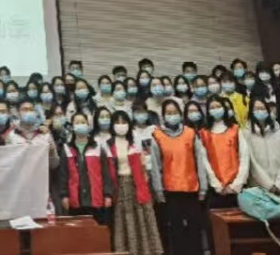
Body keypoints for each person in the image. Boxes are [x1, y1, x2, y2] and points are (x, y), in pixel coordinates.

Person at [150, 100, 208, 256]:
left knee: (195, 229)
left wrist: (203, 187)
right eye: (168, 113)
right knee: (176, 231)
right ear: (163, 116)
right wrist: (158, 191)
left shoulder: (190, 133)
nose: (172, 115)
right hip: (170, 191)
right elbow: (155, 166)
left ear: (181, 114)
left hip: (192, 189)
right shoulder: (157, 136)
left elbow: (200, 160)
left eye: (175, 112)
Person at [107, 111, 164, 256]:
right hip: (120, 187)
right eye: (117, 122)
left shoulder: (135, 141)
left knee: (142, 222)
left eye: (124, 122)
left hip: (137, 185)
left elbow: (144, 164)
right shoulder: (108, 144)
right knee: (124, 222)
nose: (121, 125)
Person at [59, 113, 113, 225]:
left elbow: (105, 174)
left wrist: (107, 194)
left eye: (83, 122)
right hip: (75, 200)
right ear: (72, 127)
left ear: (88, 125)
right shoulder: (66, 149)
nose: (80, 125)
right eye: (77, 122)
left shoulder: (98, 147)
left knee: (97, 230)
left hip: (96, 198)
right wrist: (64, 195)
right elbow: (63, 175)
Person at [201, 96, 250, 209]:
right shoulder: (204, 133)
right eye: (212, 107)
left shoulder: (235, 129)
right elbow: (205, 161)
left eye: (218, 106)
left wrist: (237, 183)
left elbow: (244, 157)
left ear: (224, 108)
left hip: (236, 186)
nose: (216, 109)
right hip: (215, 188)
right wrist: (216, 184)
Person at [243, 99, 280, 195]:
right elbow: (252, 163)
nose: (260, 111)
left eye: (263, 108)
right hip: (258, 188)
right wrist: (269, 185)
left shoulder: (279, 133)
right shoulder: (247, 134)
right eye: (257, 109)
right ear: (251, 112)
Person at [5, 100, 60, 169]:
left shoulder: (45, 135)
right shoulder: (11, 136)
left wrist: (51, 152)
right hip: (19, 175)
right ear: (18, 113)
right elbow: (8, 164)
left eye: (31, 110)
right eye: (25, 110)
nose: (29, 112)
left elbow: (54, 165)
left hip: (40, 174)